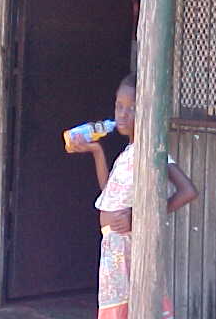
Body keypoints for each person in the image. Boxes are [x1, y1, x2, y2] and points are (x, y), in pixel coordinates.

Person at [68, 72, 198, 319]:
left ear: (147, 111)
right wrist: (96, 151)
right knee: (118, 307)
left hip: (127, 246)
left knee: (130, 308)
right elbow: (109, 193)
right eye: (119, 106)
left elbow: (188, 191)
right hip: (113, 243)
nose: (123, 114)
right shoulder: (129, 152)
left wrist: (137, 218)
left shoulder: (150, 153)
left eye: (132, 108)